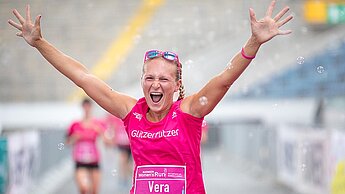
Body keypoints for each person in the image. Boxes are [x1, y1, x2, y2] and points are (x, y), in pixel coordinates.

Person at [8, 1, 293, 193]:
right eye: (149, 77)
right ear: (142, 81)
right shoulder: (129, 112)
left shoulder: (189, 111)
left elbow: (224, 79)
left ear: (176, 84)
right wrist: (40, 44)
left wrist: (253, 42)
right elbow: (82, 77)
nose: (155, 84)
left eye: (163, 79)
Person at [66, 98, 106, 194]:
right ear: (82, 107)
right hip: (80, 160)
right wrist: (74, 138)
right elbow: (67, 142)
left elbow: (109, 142)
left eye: (89, 106)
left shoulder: (98, 123)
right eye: (85, 106)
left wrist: (100, 131)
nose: (87, 109)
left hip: (94, 160)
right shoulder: (75, 124)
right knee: (84, 188)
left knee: (94, 191)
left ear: (91, 107)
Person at [103, 113, 133, 190]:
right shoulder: (115, 117)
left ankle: (131, 177)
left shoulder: (130, 114)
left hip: (129, 144)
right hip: (120, 143)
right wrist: (112, 140)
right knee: (123, 160)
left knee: (127, 164)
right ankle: (123, 179)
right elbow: (112, 128)